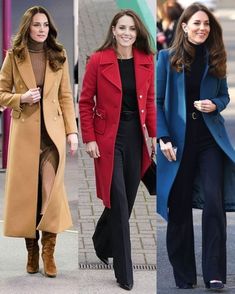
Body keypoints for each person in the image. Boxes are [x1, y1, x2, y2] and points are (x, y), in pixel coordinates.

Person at [157, 3, 235, 290]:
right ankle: (184, 275)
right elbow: (156, 102)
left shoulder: (216, 58)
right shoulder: (166, 59)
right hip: (177, 143)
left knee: (214, 204)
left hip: (209, 140)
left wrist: (215, 104)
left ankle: (215, 273)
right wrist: (163, 137)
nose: (202, 28)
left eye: (206, 24)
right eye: (197, 23)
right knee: (178, 207)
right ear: (185, 26)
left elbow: (224, 96)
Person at [79, 9, 156, 291]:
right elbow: (85, 102)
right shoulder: (98, 61)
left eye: (132, 29)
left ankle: (101, 241)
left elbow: (149, 99)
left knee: (126, 201)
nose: (127, 33)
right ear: (113, 30)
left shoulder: (146, 60)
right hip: (108, 141)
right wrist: (89, 138)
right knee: (121, 205)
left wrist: (154, 136)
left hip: (135, 138)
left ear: (137, 33)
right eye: (122, 28)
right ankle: (125, 274)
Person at [0, 6, 78, 277]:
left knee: (50, 195)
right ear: (27, 28)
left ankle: (49, 252)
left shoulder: (59, 55)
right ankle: (31, 253)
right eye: (36, 24)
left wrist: (72, 132)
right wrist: (20, 98)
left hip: (52, 138)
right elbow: (1, 93)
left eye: (45, 24)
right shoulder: (14, 56)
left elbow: (66, 97)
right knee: (27, 199)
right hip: (24, 138)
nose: (42, 29)